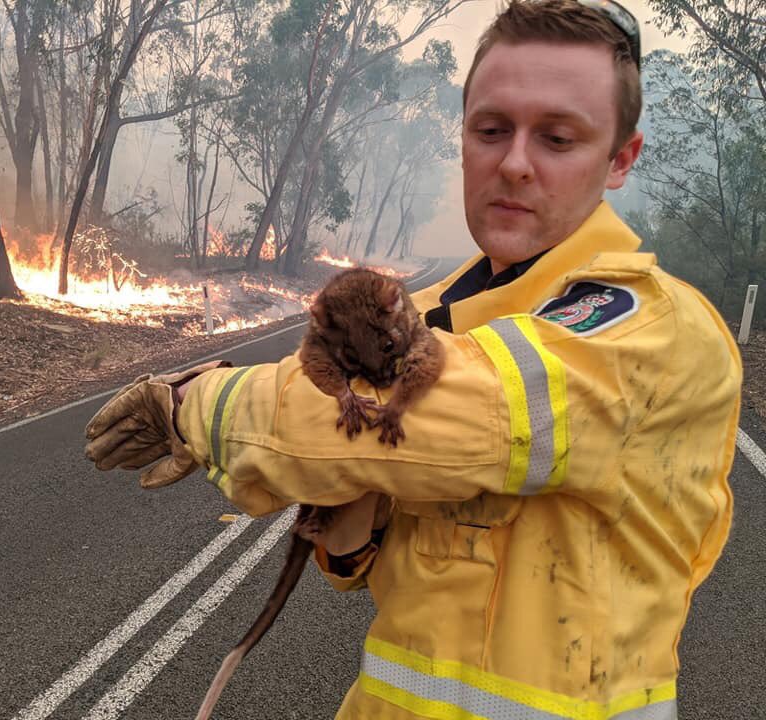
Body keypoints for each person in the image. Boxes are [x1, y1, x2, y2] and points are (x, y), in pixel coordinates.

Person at [85, 1, 743, 717]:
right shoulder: (425, 311)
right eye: (491, 130)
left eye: (558, 138)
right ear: (463, 140)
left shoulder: (654, 328)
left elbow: (471, 416)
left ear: (621, 159)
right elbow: (384, 562)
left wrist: (193, 404)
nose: (515, 164)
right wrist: (354, 530)